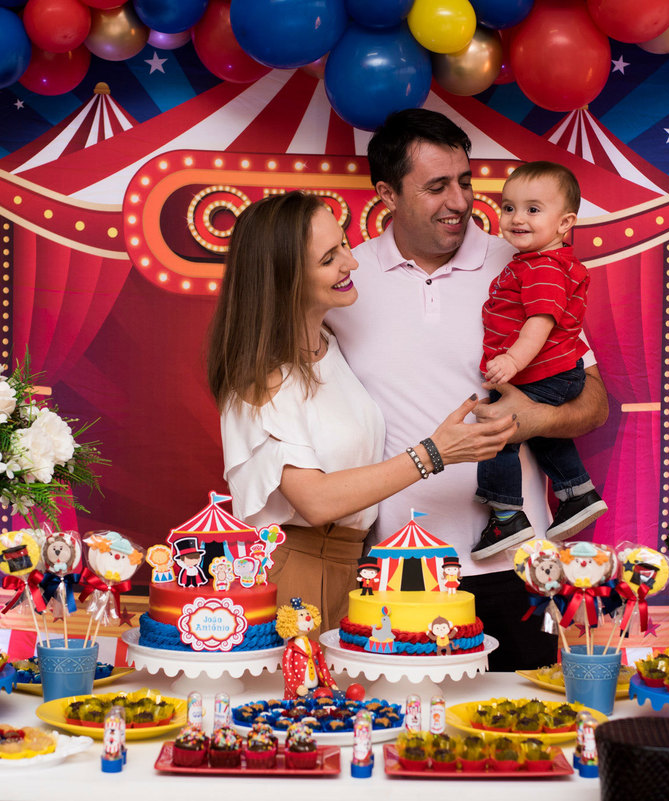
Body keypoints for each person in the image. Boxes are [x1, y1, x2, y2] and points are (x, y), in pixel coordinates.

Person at [326, 109, 609, 671]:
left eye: (464, 181)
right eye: (435, 187)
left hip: (518, 563)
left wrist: (537, 421)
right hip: (391, 568)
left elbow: (594, 399)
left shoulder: (526, 261)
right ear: (387, 193)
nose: (459, 201)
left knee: (521, 733)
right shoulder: (347, 280)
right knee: (395, 736)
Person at [206, 191, 516, 632]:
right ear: (284, 278)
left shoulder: (328, 348)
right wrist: (434, 453)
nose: (351, 264)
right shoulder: (263, 376)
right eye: (329, 257)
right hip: (293, 571)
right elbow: (315, 501)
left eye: (345, 245)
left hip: (351, 567)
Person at [472, 161, 608, 560]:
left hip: (542, 370)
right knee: (545, 432)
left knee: (498, 434)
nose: (517, 218)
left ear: (565, 223)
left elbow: (540, 321)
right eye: (509, 207)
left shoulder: (544, 268)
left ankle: (506, 515)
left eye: (533, 210)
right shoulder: (537, 262)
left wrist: (512, 362)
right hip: (557, 372)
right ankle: (578, 493)